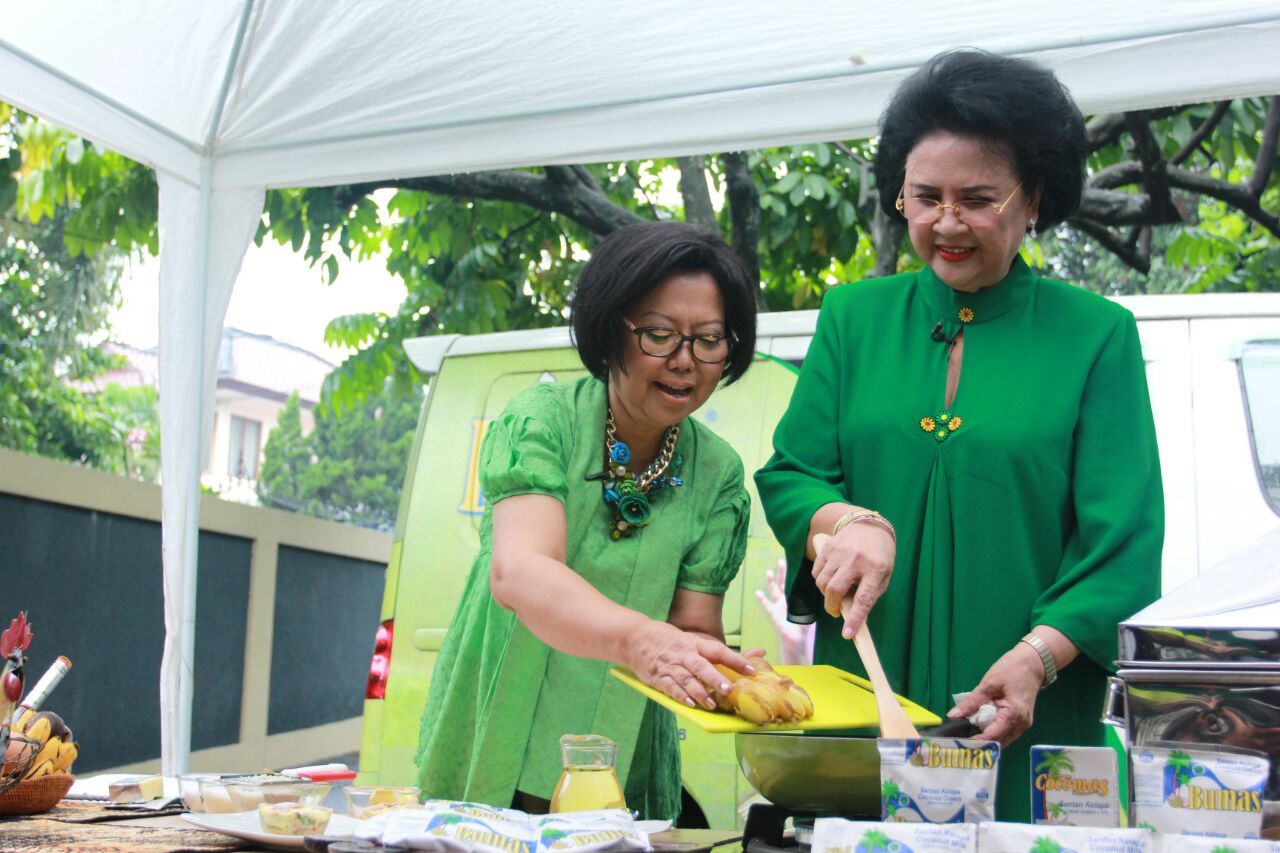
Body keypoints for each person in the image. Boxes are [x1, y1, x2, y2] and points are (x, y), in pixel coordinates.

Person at [755, 49, 1163, 821]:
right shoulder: (853, 318)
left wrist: (1038, 658)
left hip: (1028, 716)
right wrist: (846, 522)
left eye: (977, 198)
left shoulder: (1097, 336)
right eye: (925, 197)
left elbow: (1126, 542)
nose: (946, 222)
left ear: (1034, 197)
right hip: (874, 700)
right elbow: (791, 473)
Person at [415, 220, 759, 820]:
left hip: (622, 757)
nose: (685, 362)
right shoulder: (544, 420)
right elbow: (520, 572)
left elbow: (694, 624)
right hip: (506, 725)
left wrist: (724, 672)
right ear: (611, 328)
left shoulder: (718, 472)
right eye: (659, 335)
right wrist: (640, 639)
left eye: (709, 339)